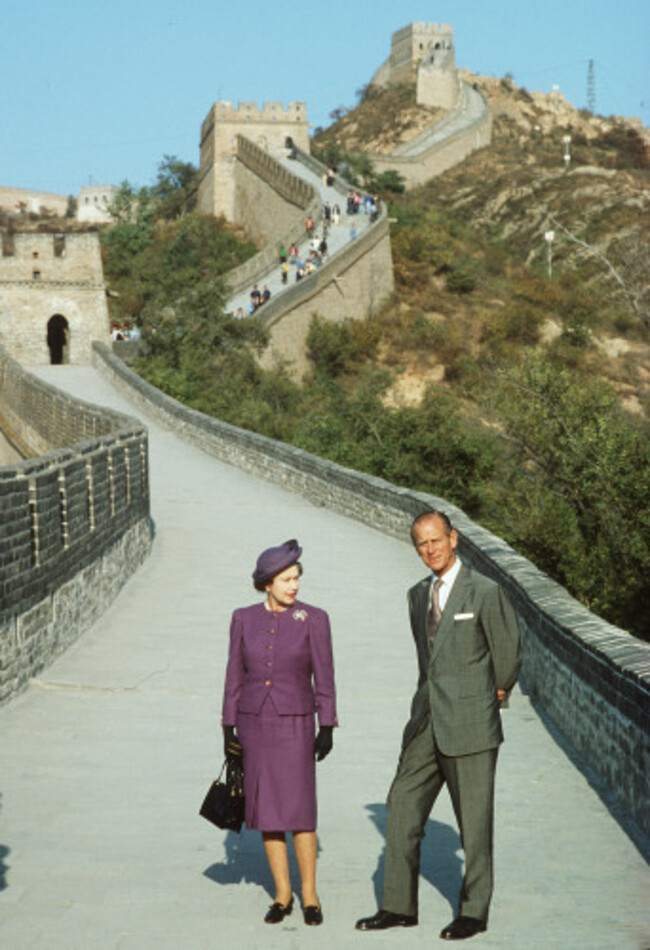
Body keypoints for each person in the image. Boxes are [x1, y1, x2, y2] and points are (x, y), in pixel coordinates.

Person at [356, 510, 521, 942]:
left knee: (474, 823)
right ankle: (397, 906)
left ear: (454, 538)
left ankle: (473, 910)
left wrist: (492, 697)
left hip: (470, 724)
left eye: (436, 540)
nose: (430, 550)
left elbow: (507, 655)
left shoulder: (484, 591)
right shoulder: (416, 595)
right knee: (402, 805)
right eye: (421, 544)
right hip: (426, 722)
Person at [222, 540, 337, 927]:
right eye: (287, 579)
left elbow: (325, 676)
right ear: (267, 582)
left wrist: (328, 725)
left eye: (297, 578)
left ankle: (310, 895)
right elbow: (234, 674)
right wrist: (227, 726)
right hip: (254, 723)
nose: (294, 586)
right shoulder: (242, 618)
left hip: (296, 723)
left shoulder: (315, 619)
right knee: (267, 811)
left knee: (301, 811)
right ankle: (282, 893)